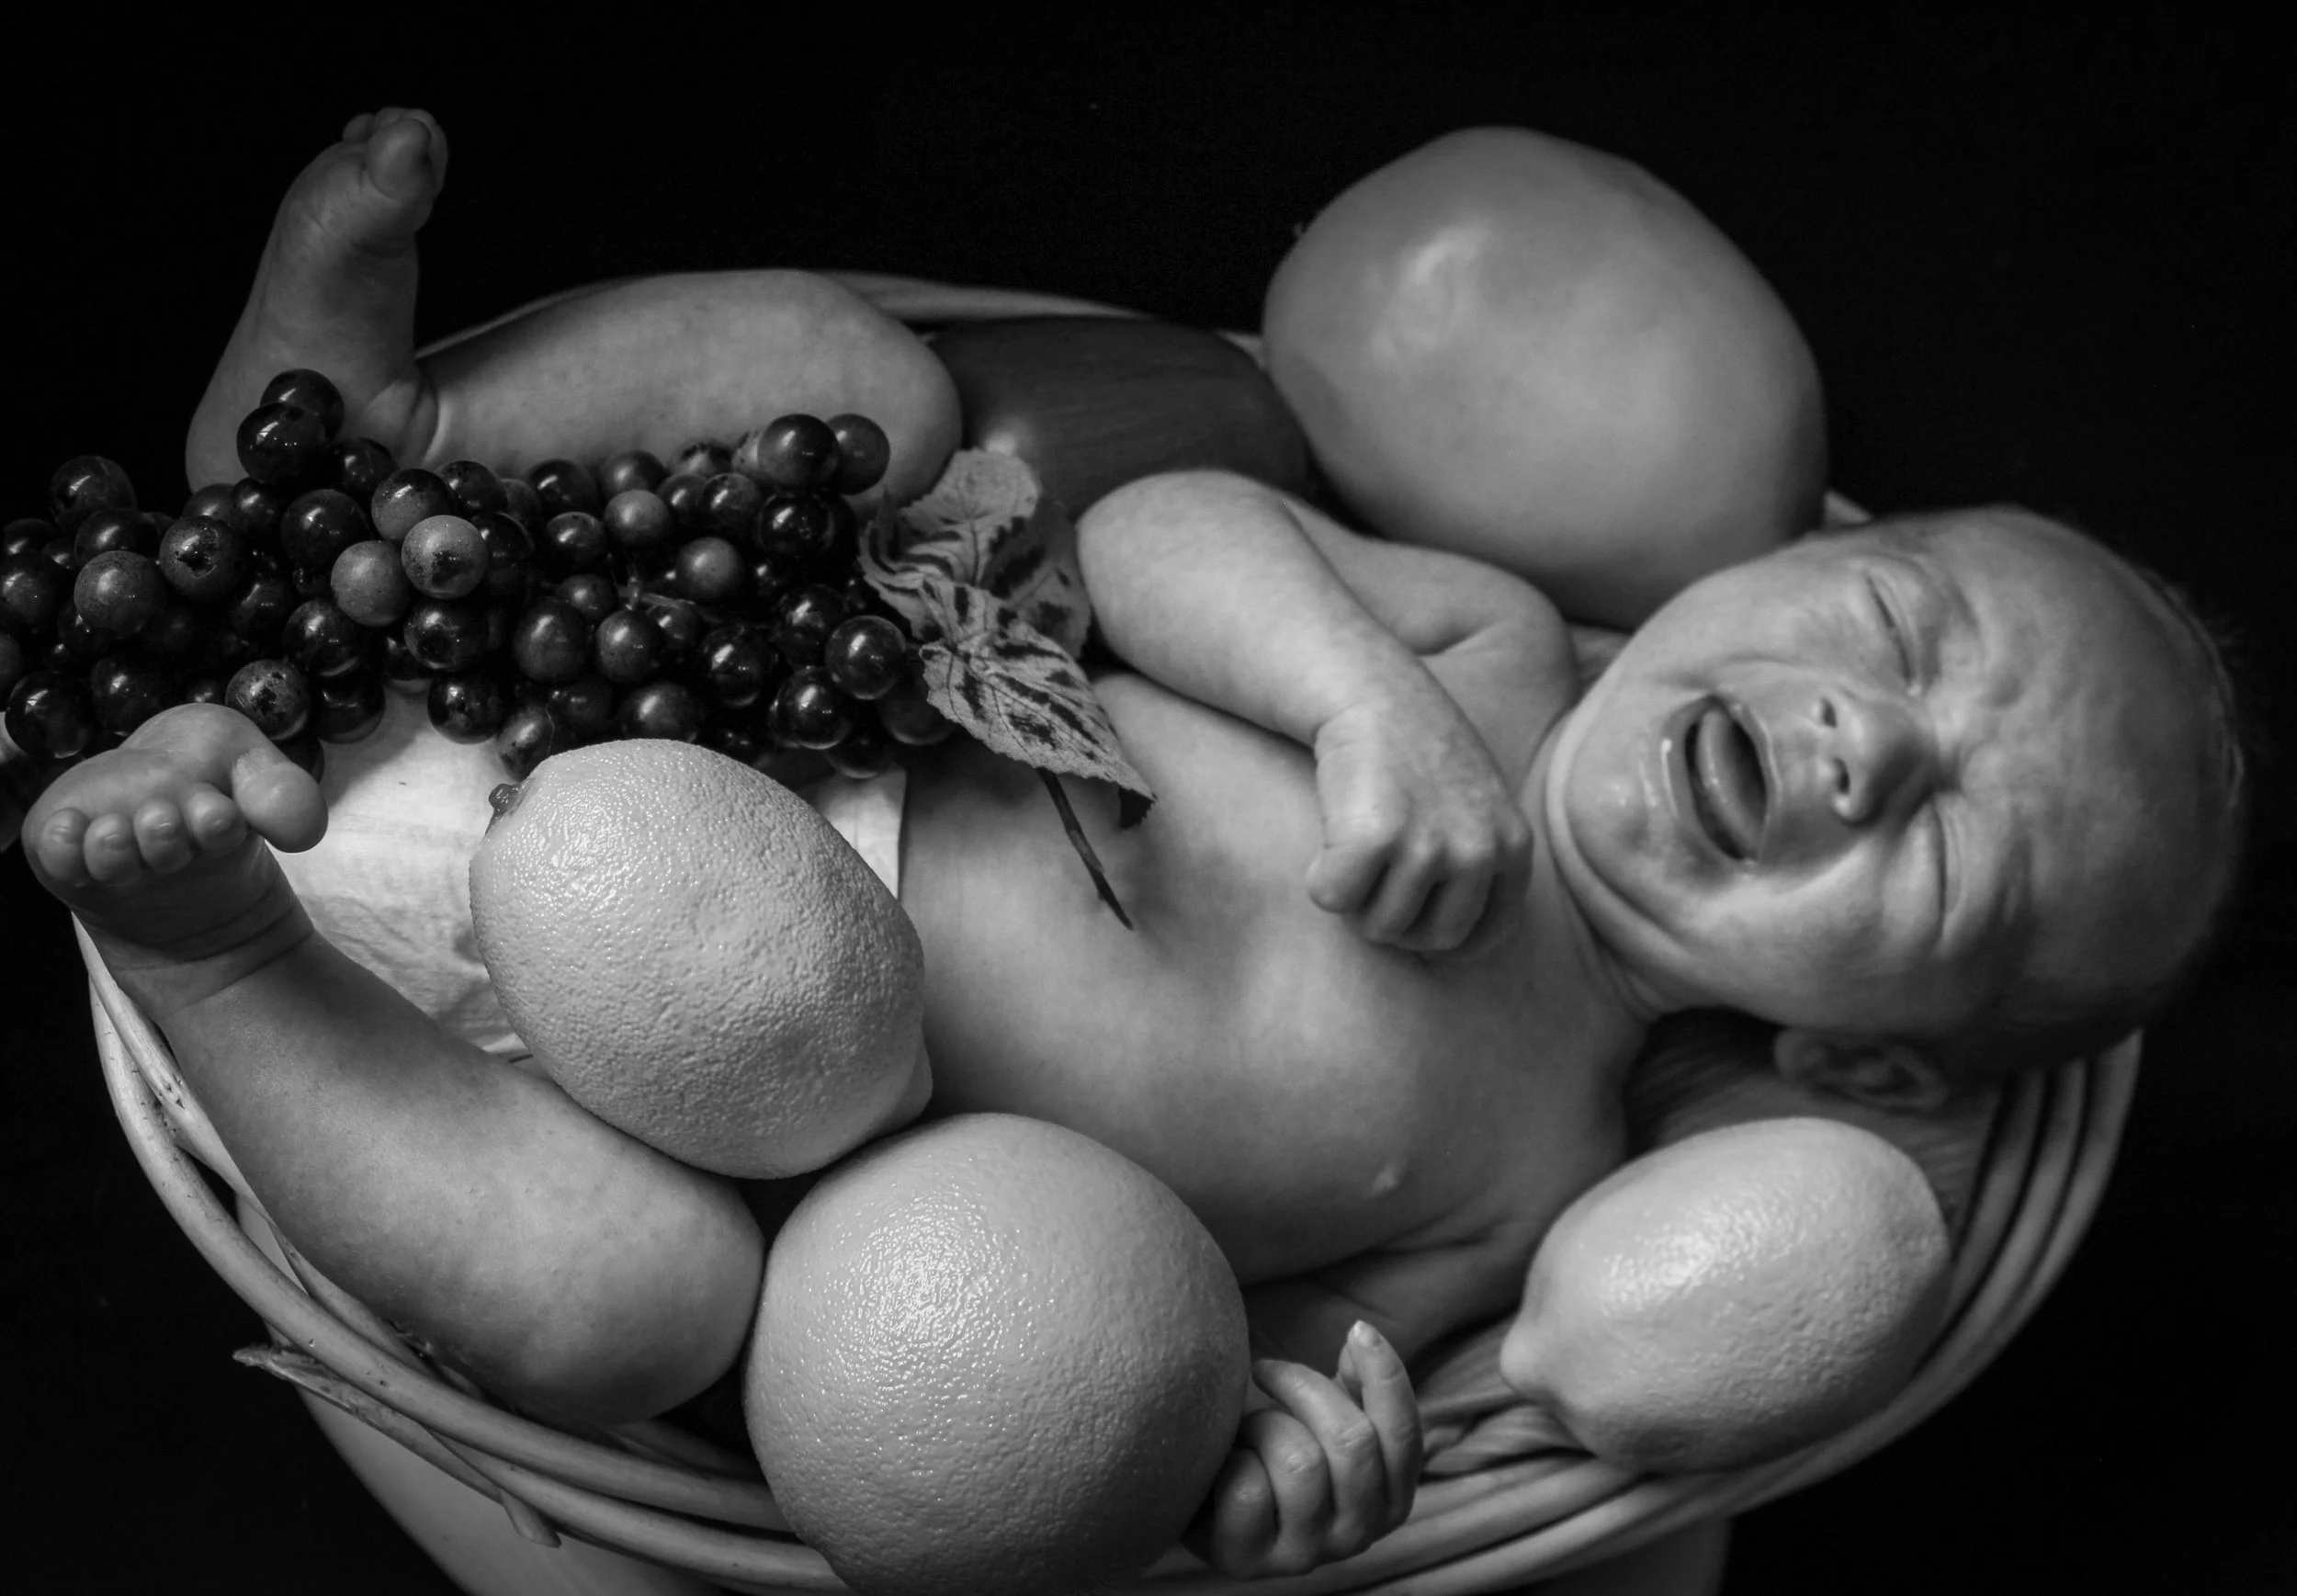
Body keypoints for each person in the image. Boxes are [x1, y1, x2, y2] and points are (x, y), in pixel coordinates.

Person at [17, 108, 2250, 1580]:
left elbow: (1224, 1333)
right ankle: (365, 443)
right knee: (854, 382)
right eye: (1888, 631)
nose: (1865, 744)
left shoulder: (1546, 1186)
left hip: (685, 1117)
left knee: (629, 1311)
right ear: (1747, 572)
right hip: (708, 671)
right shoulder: (1481, 648)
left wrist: (1273, 1435)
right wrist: (1355, 696)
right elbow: (1170, 528)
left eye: (1942, 851)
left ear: (1863, 1064)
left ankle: (225, 959)